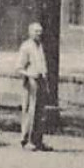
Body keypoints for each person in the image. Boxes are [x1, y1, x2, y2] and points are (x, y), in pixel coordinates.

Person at [16, 21, 51, 151]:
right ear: (30, 32)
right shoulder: (26, 47)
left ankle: (38, 140)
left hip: (41, 81)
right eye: (36, 31)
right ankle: (26, 140)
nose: (39, 34)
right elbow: (18, 68)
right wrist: (29, 74)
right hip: (31, 82)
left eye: (40, 31)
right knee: (30, 111)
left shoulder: (40, 46)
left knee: (40, 112)